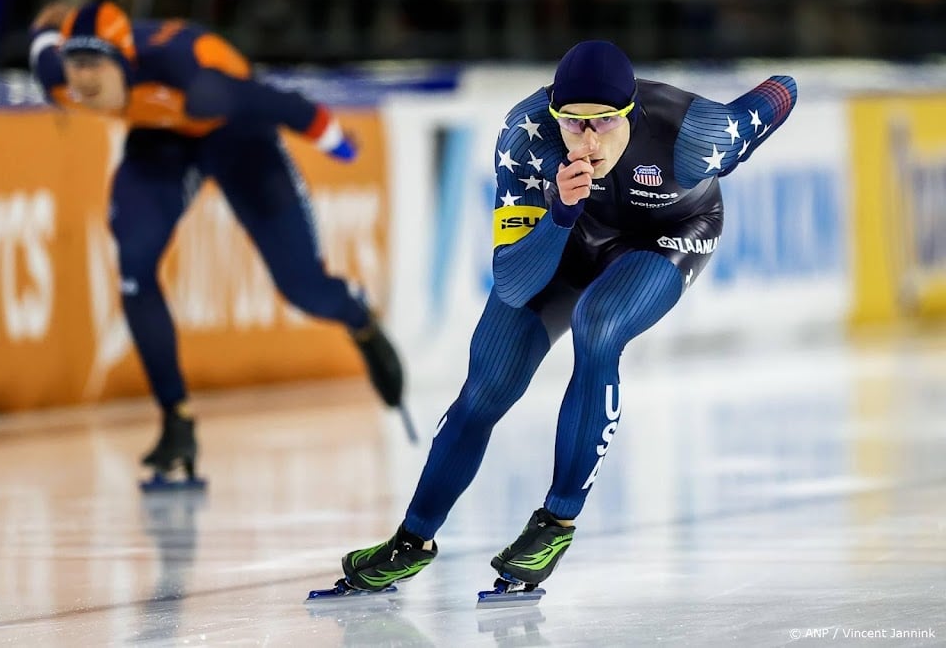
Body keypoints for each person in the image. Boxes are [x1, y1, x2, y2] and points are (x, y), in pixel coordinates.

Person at [332, 40, 796, 594]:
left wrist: (771, 95)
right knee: (486, 385)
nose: (589, 140)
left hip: (668, 235)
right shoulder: (527, 138)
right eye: (573, 125)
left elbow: (782, 92)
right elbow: (513, 283)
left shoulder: (696, 136)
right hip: (567, 232)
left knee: (598, 324)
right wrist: (558, 213)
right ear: (553, 115)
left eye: (603, 123)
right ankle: (412, 540)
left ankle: (555, 521)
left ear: (630, 114)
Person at [27, 0, 405, 482]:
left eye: (95, 67)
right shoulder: (58, 79)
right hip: (160, 136)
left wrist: (339, 142)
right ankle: (176, 420)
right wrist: (49, 18)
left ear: (125, 63)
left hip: (234, 133)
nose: (83, 83)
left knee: (302, 287)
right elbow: (42, 34)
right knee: (134, 267)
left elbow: (284, 104)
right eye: (74, 66)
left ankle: (360, 320)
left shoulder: (195, 81)